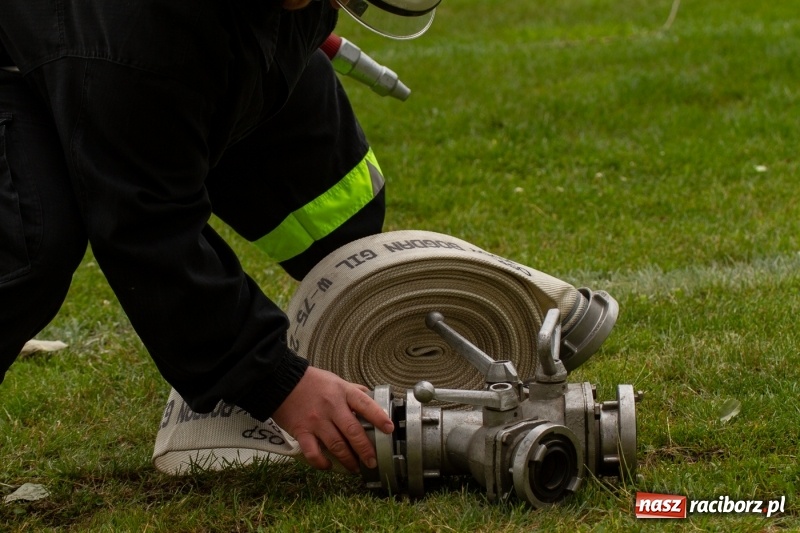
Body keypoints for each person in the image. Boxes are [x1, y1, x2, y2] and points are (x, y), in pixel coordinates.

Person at [0, 0, 427, 474]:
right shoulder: (141, 41)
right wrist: (273, 380)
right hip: (45, 53)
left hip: (216, 29)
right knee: (27, 242)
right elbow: (146, 224)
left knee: (340, 204)